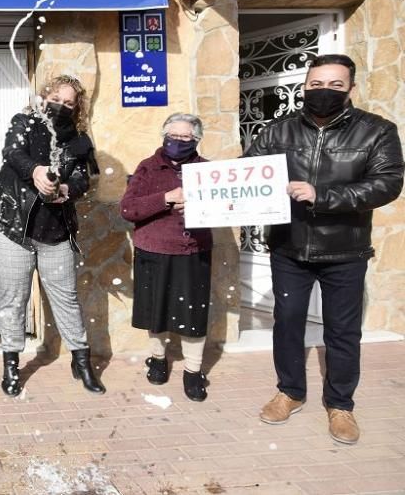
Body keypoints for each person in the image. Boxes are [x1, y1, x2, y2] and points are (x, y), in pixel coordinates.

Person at [245, 53, 403, 445]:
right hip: (288, 247)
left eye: (335, 85)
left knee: (343, 332)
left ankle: (340, 405)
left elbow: (387, 183)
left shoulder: (377, 131)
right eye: (316, 84)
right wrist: (199, 196)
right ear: (305, 86)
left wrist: (323, 196)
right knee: (288, 323)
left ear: (351, 87)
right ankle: (291, 392)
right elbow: (245, 172)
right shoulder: (278, 129)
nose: (324, 92)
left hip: (345, 251)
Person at [0, 76, 105, 397]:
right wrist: (36, 171)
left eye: (69, 103)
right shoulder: (24, 121)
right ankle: (11, 364)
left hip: (56, 231)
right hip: (14, 227)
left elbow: (83, 177)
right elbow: (12, 152)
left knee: (66, 298)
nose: (61, 107)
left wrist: (68, 187)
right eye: (56, 99)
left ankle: (81, 361)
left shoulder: (78, 139)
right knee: (14, 301)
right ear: (44, 96)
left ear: (77, 107)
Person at [120, 113, 213, 402]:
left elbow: (227, 208)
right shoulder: (147, 168)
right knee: (155, 311)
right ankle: (158, 360)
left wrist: (198, 208)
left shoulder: (209, 170)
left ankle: (193, 372)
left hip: (193, 251)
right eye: (174, 135)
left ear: (196, 140)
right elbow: (128, 209)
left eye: (186, 137)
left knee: (193, 315)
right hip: (153, 251)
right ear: (164, 135)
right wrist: (166, 198)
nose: (178, 141)